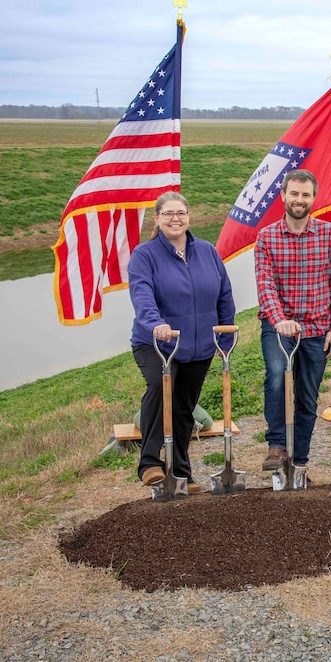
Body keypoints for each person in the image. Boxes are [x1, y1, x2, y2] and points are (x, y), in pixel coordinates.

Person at [129, 191, 236, 494]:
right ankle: (149, 463)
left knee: (183, 408)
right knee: (159, 390)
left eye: (181, 213)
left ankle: (180, 472)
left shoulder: (206, 251)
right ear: (158, 219)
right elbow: (142, 295)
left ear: (189, 216)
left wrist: (225, 335)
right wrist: (156, 324)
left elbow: (224, 294)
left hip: (199, 345)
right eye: (168, 214)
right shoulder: (145, 255)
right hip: (158, 343)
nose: (175, 219)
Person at [255, 169, 331, 471]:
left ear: (313, 198)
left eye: (305, 194)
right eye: (293, 193)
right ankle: (278, 447)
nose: (299, 199)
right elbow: (265, 284)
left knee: (307, 396)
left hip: (317, 328)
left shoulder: (327, 235)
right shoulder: (266, 237)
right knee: (276, 375)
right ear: (283, 196)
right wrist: (279, 319)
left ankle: (300, 460)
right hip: (278, 326)